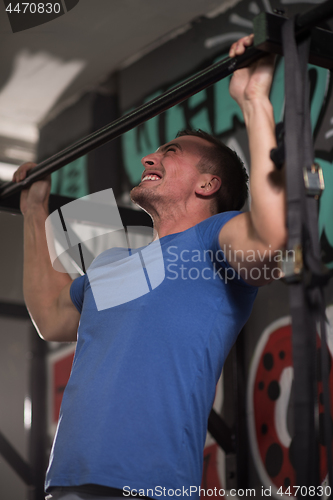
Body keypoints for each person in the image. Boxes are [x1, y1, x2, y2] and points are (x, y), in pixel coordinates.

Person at [14, 35, 286, 500]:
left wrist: (254, 98)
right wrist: (34, 211)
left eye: (171, 152)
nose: (149, 158)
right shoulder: (110, 263)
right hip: (65, 484)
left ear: (207, 183)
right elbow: (50, 316)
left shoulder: (214, 239)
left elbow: (270, 239)